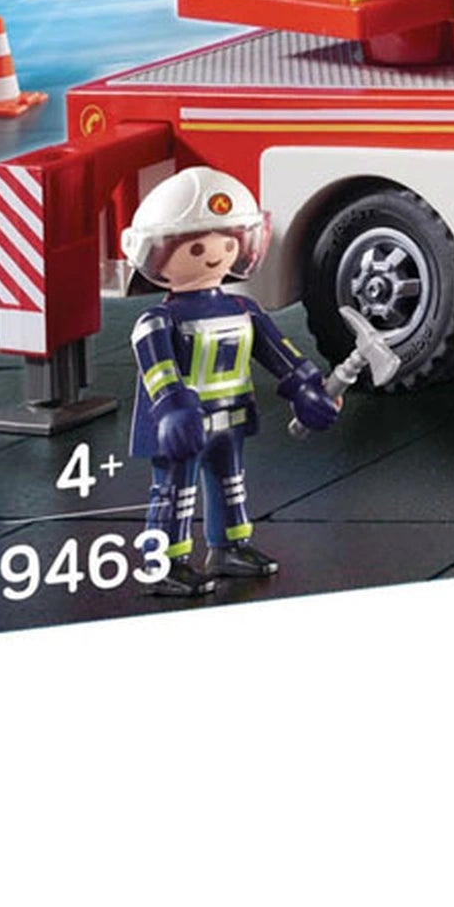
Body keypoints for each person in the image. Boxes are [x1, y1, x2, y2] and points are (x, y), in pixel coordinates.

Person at [123, 172, 340, 597]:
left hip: (231, 420)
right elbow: (159, 372)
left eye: (227, 244)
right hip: (183, 427)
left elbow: (282, 356)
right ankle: (162, 562)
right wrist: (173, 408)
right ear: (157, 252)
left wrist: (306, 388)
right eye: (196, 248)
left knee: (231, 485)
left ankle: (228, 547)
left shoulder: (244, 309)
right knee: (174, 494)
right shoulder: (158, 321)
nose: (215, 256)